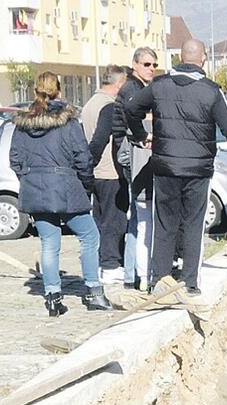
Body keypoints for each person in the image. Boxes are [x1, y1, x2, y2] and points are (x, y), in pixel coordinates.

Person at [125, 38, 227, 295]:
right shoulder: (210, 91)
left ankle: (160, 280)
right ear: (203, 59)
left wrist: (139, 134)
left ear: (179, 58)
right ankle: (189, 283)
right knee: (193, 224)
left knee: (164, 224)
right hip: (198, 170)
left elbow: (131, 108)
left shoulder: (159, 86)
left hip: (166, 167)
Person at [10, 71, 111, 316]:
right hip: (67, 187)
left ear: (35, 91)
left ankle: (53, 297)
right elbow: (83, 158)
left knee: (49, 242)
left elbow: (14, 159)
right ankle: (93, 291)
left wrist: (29, 179)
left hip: (36, 189)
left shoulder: (23, 124)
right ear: (59, 91)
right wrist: (85, 184)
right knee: (89, 236)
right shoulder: (67, 122)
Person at [113, 47, 158, 289]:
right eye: (146, 64)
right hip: (132, 154)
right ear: (135, 65)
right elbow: (135, 124)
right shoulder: (133, 89)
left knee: (137, 220)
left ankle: (132, 274)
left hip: (133, 153)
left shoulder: (139, 87)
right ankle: (136, 275)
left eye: (154, 65)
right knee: (141, 219)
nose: (151, 69)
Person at [81, 65, 129, 285]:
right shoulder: (109, 107)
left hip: (96, 174)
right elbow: (99, 140)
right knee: (114, 220)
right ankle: (111, 265)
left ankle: (101, 262)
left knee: (100, 220)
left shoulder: (90, 104)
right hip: (109, 171)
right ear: (119, 84)